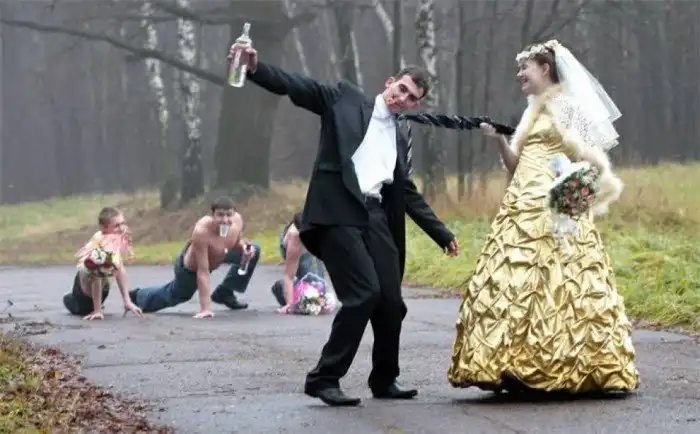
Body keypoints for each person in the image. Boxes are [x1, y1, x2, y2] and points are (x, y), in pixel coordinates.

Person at [229, 43, 462, 407]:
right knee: (363, 294)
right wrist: (257, 69)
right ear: (389, 82)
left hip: (375, 216)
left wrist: (441, 233)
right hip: (338, 210)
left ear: (416, 105)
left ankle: (384, 379)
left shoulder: (400, 134)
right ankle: (324, 378)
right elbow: (298, 87)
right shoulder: (345, 100)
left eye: (411, 98)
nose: (402, 98)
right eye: (401, 89)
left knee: (391, 303)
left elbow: (404, 190)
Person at [447, 40, 640, 394]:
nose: (520, 74)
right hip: (520, 203)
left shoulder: (568, 106)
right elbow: (514, 165)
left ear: (545, 69)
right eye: (519, 69)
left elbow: (590, 160)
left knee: (562, 279)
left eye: (526, 68)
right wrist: (499, 139)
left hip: (554, 204)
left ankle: (567, 362)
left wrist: (569, 188)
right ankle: (510, 364)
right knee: (514, 277)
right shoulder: (531, 111)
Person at [129, 197, 260, 318]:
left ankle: (224, 292)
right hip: (191, 269)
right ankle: (138, 296)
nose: (225, 220)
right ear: (212, 216)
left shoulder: (237, 221)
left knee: (255, 249)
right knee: (176, 295)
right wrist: (206, 309)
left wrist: (244, 248)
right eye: (220, 215)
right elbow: (202, 271)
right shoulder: (202, 232)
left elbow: (237, 240)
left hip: (220, 254)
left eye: (229, 215)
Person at [64, 207, 143, 320]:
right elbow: (96, 276)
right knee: (73, 303)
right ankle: (76, 301)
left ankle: (96, 304)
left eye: (122, 224)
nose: (121, 228)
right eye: (116, 226)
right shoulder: (99, 242)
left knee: (114, 265)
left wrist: (127, 301)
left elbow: (120, 269)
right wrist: (97, 310)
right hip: (83, 296)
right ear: (103, 228)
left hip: (102, 289)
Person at [271, 212, 327, 313]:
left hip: (308, 245)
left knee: (317, 287)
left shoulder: (321, 227)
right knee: (305, 298)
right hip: (295, 247)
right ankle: (280, 287)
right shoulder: (295, 236)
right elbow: (289, 275)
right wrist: (289, 304)